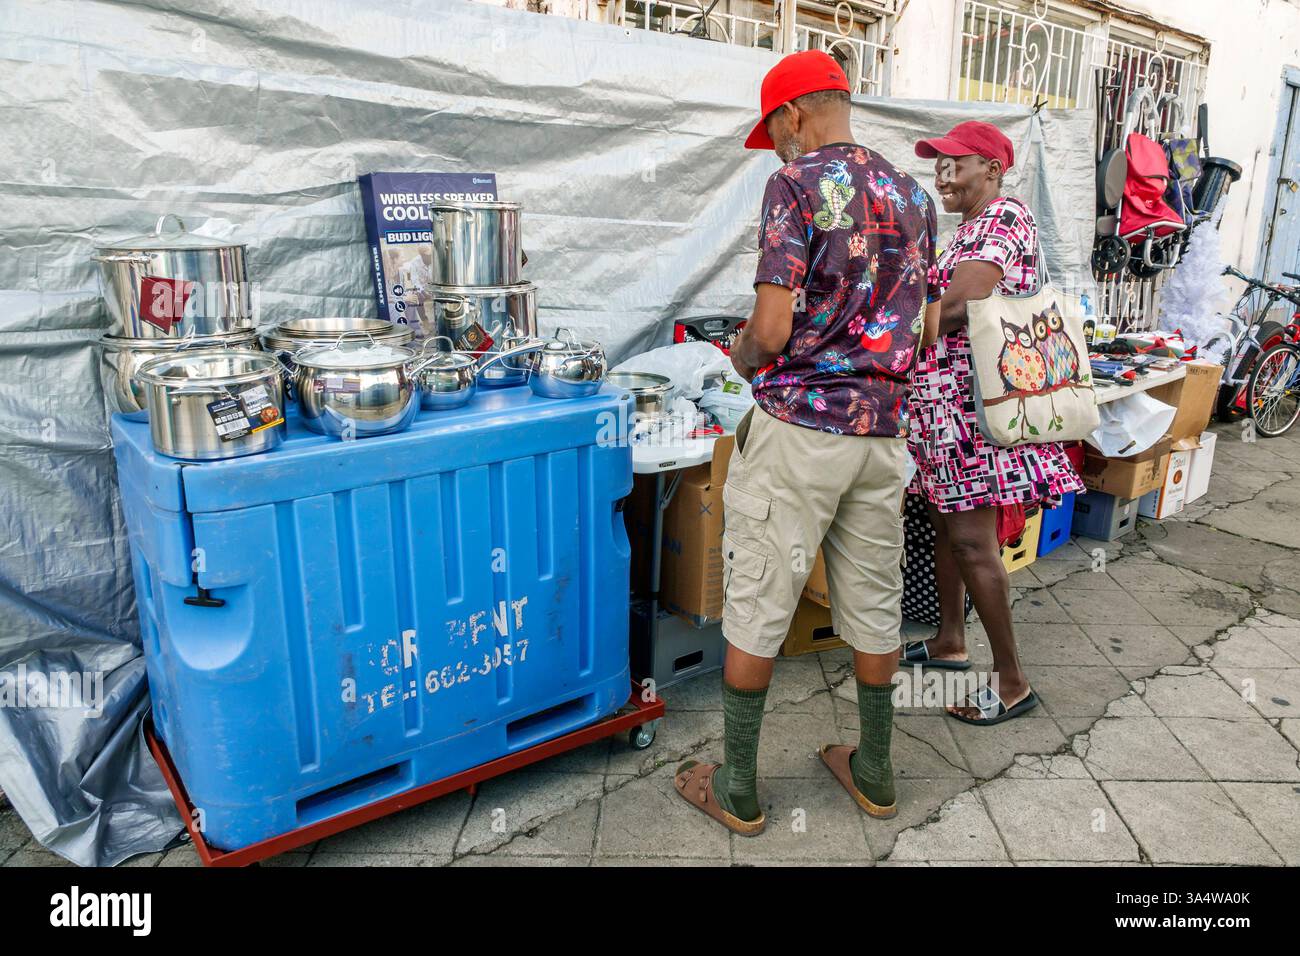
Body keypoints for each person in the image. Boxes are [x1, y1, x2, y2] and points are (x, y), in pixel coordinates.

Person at [673, 50, 940, 835]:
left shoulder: (793, 186)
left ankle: (741, 791)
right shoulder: (913, 193)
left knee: (757, 601)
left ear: (794, 113)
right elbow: (923, 331)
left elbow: (771, 327)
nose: (778, 147)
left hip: (800, 431)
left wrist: (743, 358)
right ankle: (876, 771)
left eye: (775, 130)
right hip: (883, 435)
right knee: (875, 599)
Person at [902, 121, 1084, 725]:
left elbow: (959, 308)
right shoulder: (965, 231)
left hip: (973, 417)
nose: (943, 173)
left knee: (973, 542)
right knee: (945, 532)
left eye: (958, 162)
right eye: (938, 163)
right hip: (940, 417)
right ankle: (952, 641)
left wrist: (883, 337)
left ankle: (1012, 682)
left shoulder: (1005, 219)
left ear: (994, 170)